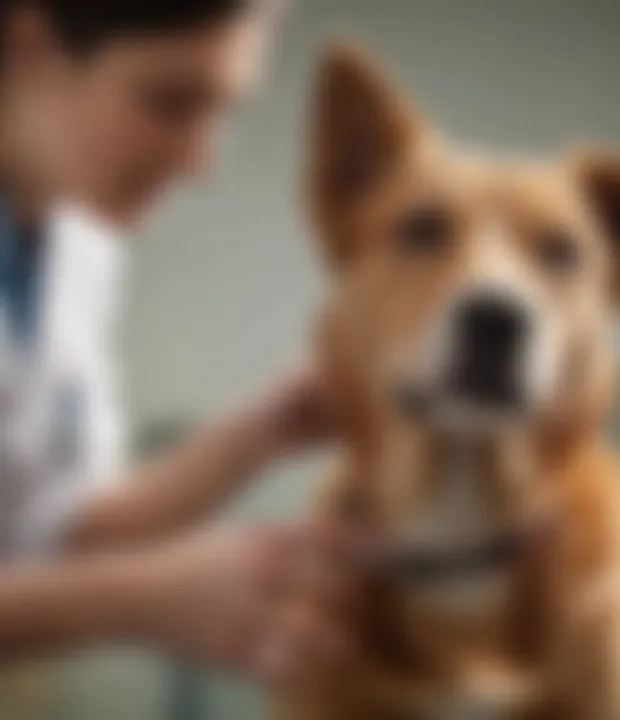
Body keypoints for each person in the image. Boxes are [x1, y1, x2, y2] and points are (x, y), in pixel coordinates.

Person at [0, 0, 357, 688]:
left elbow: (64, 531)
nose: (201, 161)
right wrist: (134, 599)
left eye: (221, 113)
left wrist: (264, 430)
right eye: (170, 102)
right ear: (30, 42)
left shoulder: (73, 244)